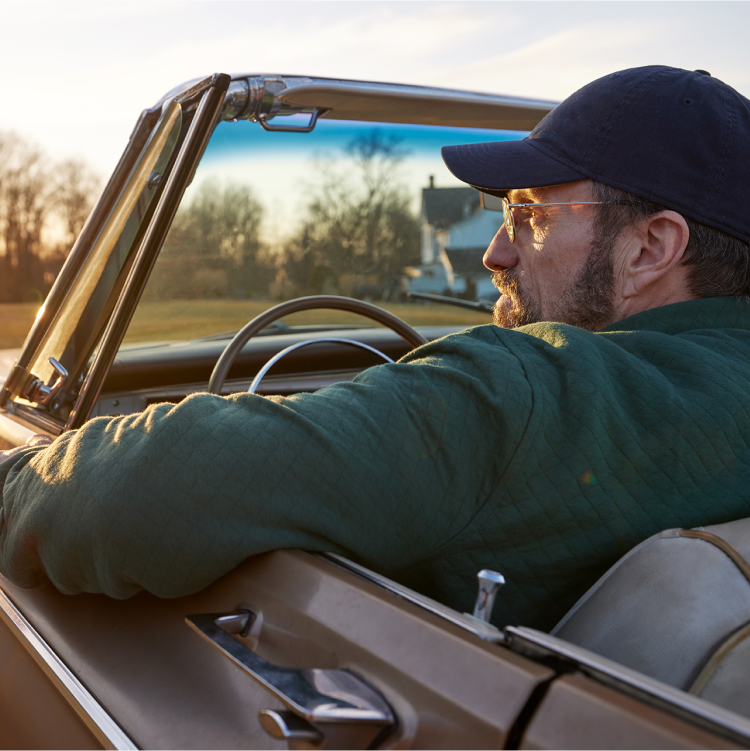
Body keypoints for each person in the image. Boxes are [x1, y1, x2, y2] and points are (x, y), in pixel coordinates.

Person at [1, 65, 750, 631]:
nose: (496, 252)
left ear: (651, 246)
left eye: (532, 215)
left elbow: (141, 492)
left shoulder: (525, 394)